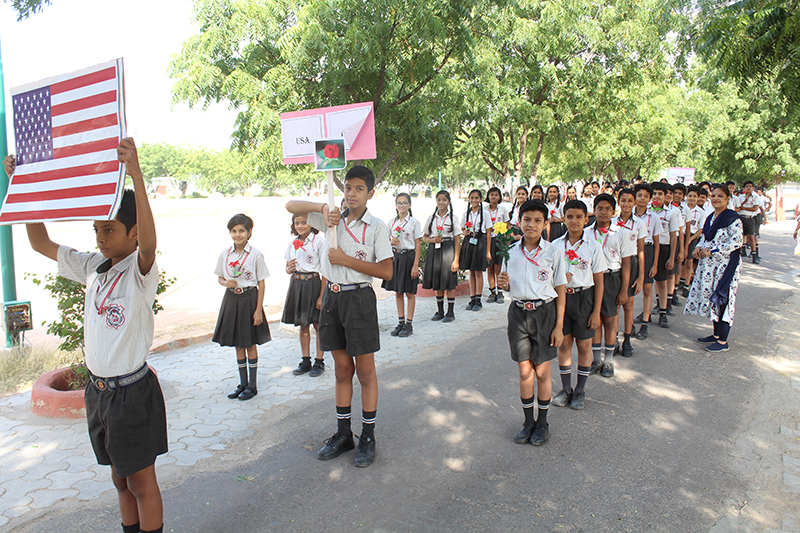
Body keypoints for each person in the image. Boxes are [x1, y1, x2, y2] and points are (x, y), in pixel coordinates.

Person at [6, 141, 167, 533]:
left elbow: (150, 244)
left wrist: (136, 175)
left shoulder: (140, 272)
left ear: (132, 234)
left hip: (131, 394)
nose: (100, 238)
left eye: (109, 230)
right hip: (99, 393)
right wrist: (23, 187)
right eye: (97, 230)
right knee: (119, 479)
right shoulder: (94, 267)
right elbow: (40, 244)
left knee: (141, 482)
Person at [285, 166, 393, 467]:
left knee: (365, 372)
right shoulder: (332, 219)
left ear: (370, 193)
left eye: (359, 189)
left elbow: (386, 271)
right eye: (347, 187)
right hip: (332, 298)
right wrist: (322, 207)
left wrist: (345, 260)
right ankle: (344, 434)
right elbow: (291, 206)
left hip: (359, 298)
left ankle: (367, 437)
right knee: (342, 370)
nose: (351, 194)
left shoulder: (376, 227)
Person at [497, 200, 566, 446]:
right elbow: (507, 285)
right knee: (525, 371)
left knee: (543, 372)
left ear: (546, 224)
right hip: (518, 314)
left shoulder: (553, 252)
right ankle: (528, 422)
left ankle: (542, 423)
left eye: (538, 220)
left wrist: (558, 326)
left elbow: (560, 289)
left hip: (544, 314)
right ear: (519, 222)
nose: (531, 225)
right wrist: (503, 284)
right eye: (527, 219)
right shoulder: (510, 252)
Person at [551, 200, 606, 410]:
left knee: (584, 345)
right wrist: (558, 279)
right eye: (569, 217)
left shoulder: (594, 246)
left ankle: (580, 390)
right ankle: (566, 389)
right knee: (564, 344)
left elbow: (599, 281)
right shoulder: (555, 245)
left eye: (579, 217)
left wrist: (596, 311)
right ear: (563, 219)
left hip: (584, 299)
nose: (574, 221)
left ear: (586, 219)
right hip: (562, 299)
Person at [214, 213, 271, 400]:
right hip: (232, 300)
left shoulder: (255, 255)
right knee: (238, 343)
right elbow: (220, 277)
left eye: (241, 231)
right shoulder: (225, 254)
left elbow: (261, 283)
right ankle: (242, 383)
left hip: (249, 299)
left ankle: (252, 386)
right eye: (234, 231)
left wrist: (258, 310)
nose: (237, 235)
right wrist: (225, 283)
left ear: (249, 232)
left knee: (249, 343)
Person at [685, 184, 744, 352]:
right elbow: (705, 237)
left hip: (726, 265)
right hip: (709, 265)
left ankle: (723, 341)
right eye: (714, 196)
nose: (716, 199)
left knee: (723, 298)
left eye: (720, 196)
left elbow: (736, 242)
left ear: (728, 199)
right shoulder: (711, 217)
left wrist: (713, 251)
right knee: (713, 297)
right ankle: (716, 334)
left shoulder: (733, 219)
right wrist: (698, 248)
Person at [587, 194, 635, 377]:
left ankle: (608, 360)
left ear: (614, 212)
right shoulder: (586, 232)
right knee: (595, 319)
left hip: (612, 278)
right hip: (591, 279)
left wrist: (624, 290)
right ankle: (596, 359)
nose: (604, 212)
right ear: (594, 210)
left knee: (609, 319)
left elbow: (627, 264)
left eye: (608, 209)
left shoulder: (621, 233)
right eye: (600, 208)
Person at [283, 213, 326, 377]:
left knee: (318, 324)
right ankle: (305, 360)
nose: (300, 226)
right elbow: (287, 268)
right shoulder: (292, 243)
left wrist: (321, 296)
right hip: (297, 284)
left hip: (313, 283)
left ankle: (319, 361)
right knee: (303, 324)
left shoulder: (319, 242)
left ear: (312, 223)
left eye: (304, 222)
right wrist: (289, 268)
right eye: (297, 223)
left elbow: (325, 272)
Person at [383, 193, 422, 337]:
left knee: (409, 292)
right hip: (396, 258)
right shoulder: (391, 223)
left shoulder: (414, 222)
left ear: (410, 205)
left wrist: (415, 265)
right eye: (399, 203)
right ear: (395, 205)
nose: (402, 205)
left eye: (405, 203)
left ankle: (409, 324)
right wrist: (390, 242)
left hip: (409, 258)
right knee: (398, 291)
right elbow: (385, 241)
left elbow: (418, 244)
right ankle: (400, 322)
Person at [612, 188, 646, 357]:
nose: (626, 204)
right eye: (623, 200)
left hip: (631, 264)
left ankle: (627, 340)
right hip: (615, 264)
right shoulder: (611, 222)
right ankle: (614, 340)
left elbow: (641, 251)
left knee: (629, 305)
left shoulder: (639, 224)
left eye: (630, 201)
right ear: (618, 202)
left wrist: (641, 276)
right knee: (615, 305)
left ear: (634, 203)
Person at [422, 190, 462, 322]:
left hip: (448, 249)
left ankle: (450, 312)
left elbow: (457, 239)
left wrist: (456, 260)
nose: (441, 202)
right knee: (437, 280)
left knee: (449, 281)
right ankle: (440, 311)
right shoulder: (431, 218)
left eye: (444, 200)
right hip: (435, 250)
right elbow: (424, 236)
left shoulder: (453, 218)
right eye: (439, 199)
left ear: (449, 202)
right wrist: (432, 240)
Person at [632, 183, 663, 340]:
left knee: (647, 289)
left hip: (648, 251)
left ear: (650, 199)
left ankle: (645, 323)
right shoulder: (628, 214)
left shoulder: (654, 217)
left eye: (646, 196)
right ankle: (629, 324)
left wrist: (655, 264)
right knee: (629, 289)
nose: (642, 199)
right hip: (631, 252)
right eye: (639, 195)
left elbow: (657, 242)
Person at [650, 182, 680, 327]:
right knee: (647, 285)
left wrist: (672, 257)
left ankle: (663, 311)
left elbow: (674, 236)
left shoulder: (670, 213)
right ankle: (646, 312)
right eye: (654, 193)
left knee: (661, 282)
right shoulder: (645, 211)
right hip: (648, 247)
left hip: (663, 248)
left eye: (660, 194)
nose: (656, 196)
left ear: (665, 196)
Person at [460, 189, 493, 311]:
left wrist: (488, 251)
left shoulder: (485, 213)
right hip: (470, 242)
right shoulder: (466, 213)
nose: (474, 200)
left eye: (476, 198)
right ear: (469, 199)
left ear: (480, 199)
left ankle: (478, 299)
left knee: (478, 271)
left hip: (480, 242)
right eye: (472, 198)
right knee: (471, 271)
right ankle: (472, 298)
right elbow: (462, 228)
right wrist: (465, 232)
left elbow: (488, 233)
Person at [485, 187, 510, 303]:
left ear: (500, 197)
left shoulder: (503, 210)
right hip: (488, 240)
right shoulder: (484, 210)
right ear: (488, 196)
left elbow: (508, 226)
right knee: (489, 267)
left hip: (499, 240)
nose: (494, 197)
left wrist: (507, 243)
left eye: (496, 195)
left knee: (498, 267)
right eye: (492, 195)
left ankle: (500, 292)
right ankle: (492, 292)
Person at [737, 181, 763, 264]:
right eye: (747, 186)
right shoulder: (740, 197)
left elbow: (755, 208)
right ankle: (740, 253)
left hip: (750, 218)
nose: (748, 188)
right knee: (741, 236)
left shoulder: (755, 197)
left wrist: (744, 207)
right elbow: (738, 208)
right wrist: (744, 203)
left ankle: (754, 254)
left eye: (750, 186)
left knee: (751, 236)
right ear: (744, 188)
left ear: (753, 188)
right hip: (741, 217)